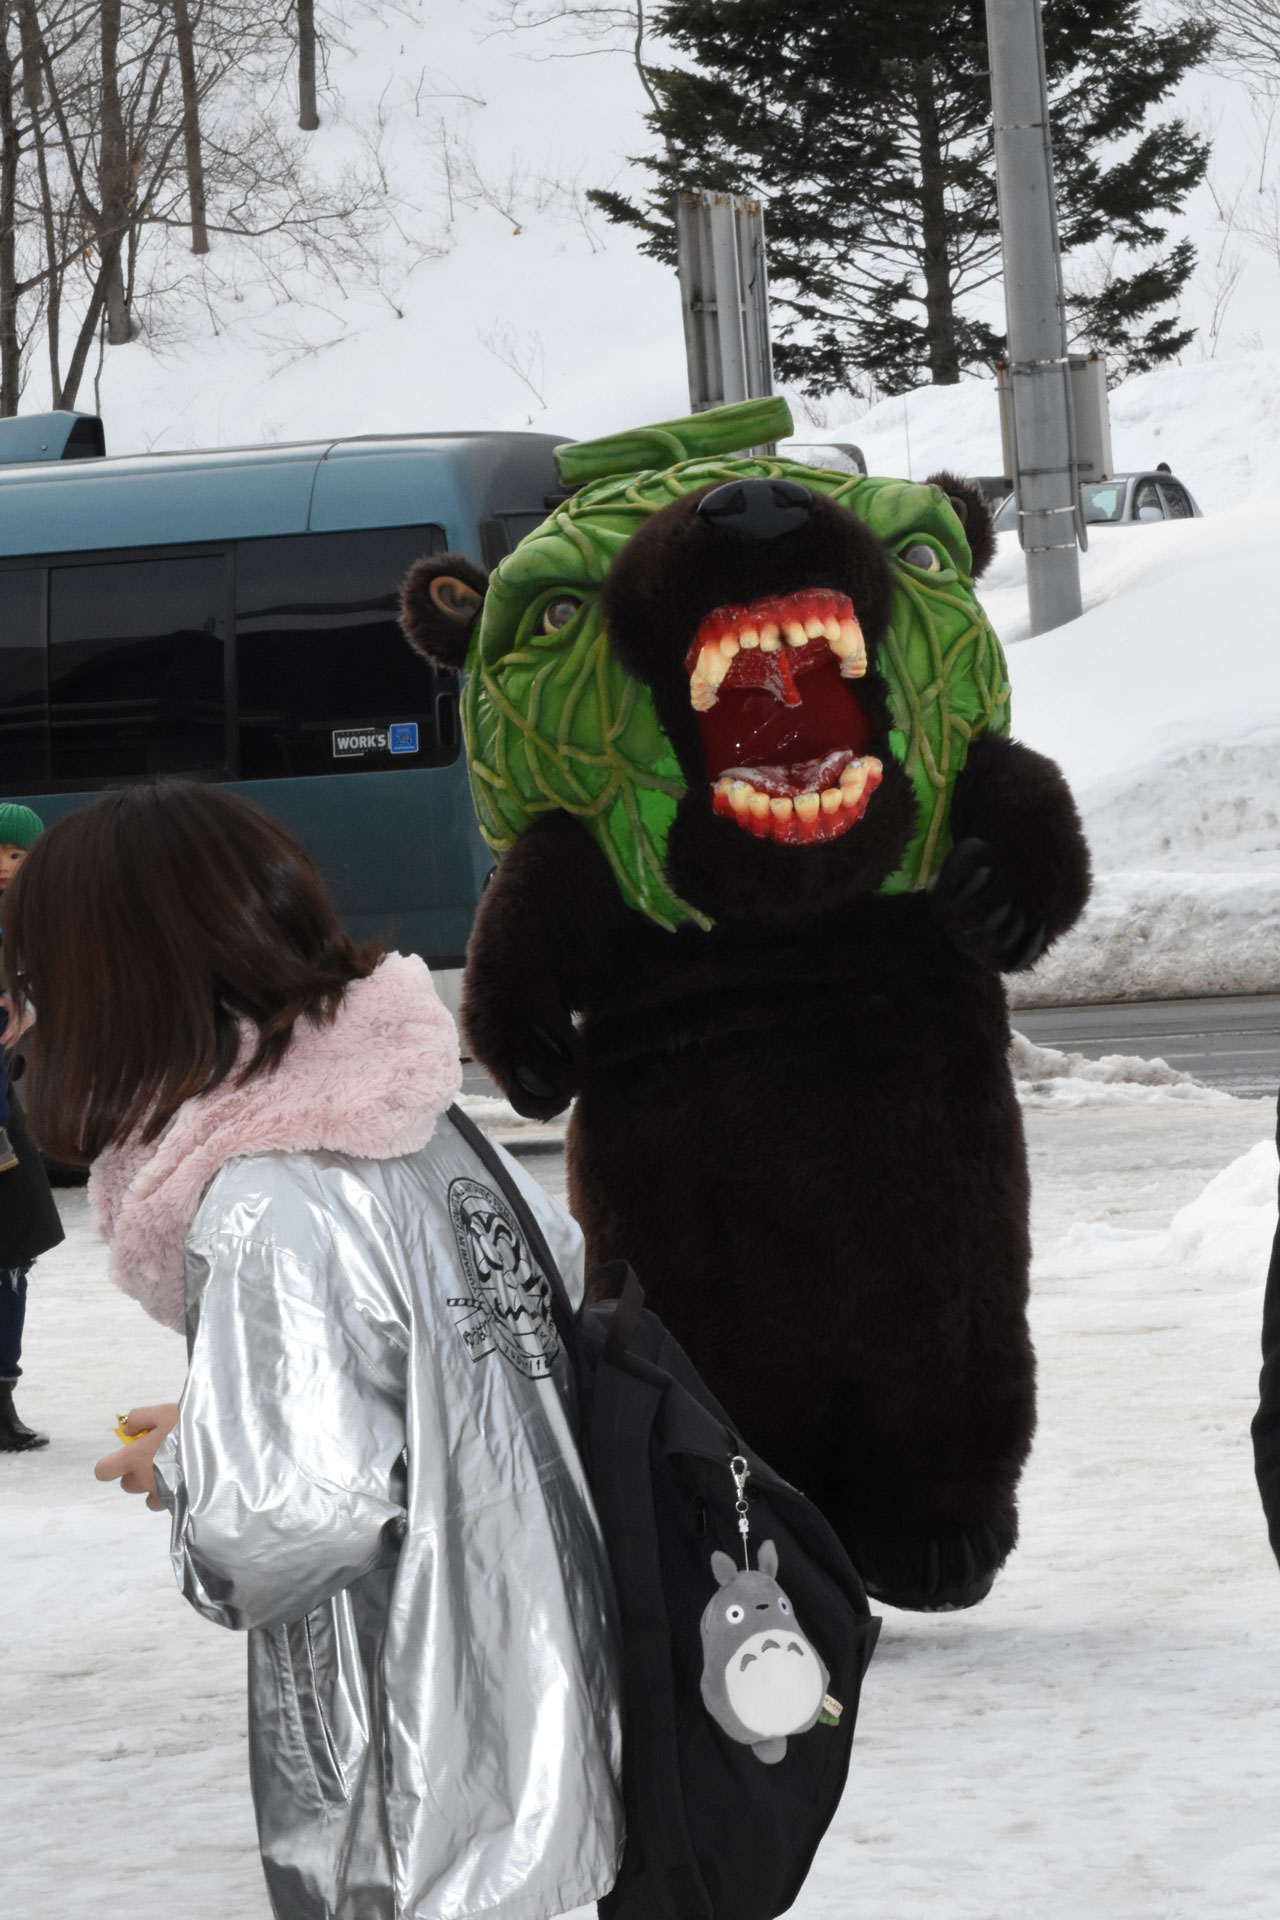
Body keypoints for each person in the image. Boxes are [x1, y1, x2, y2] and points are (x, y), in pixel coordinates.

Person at [4, 780, 622, 1920]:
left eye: (37, 977)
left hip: (414, 1793)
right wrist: (229, 1401)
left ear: (117, 979)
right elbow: (525, 1305)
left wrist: (194, 1463)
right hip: (548, 1726)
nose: (30, 1012)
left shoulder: (259, 1202)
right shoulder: (419, 1128)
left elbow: (281, 1531)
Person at [0, 801, 62, 1450]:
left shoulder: (38, 924)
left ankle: (2, 1396)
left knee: (13, 1259)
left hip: (5, 1122)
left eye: (17, 855)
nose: (5, 867)